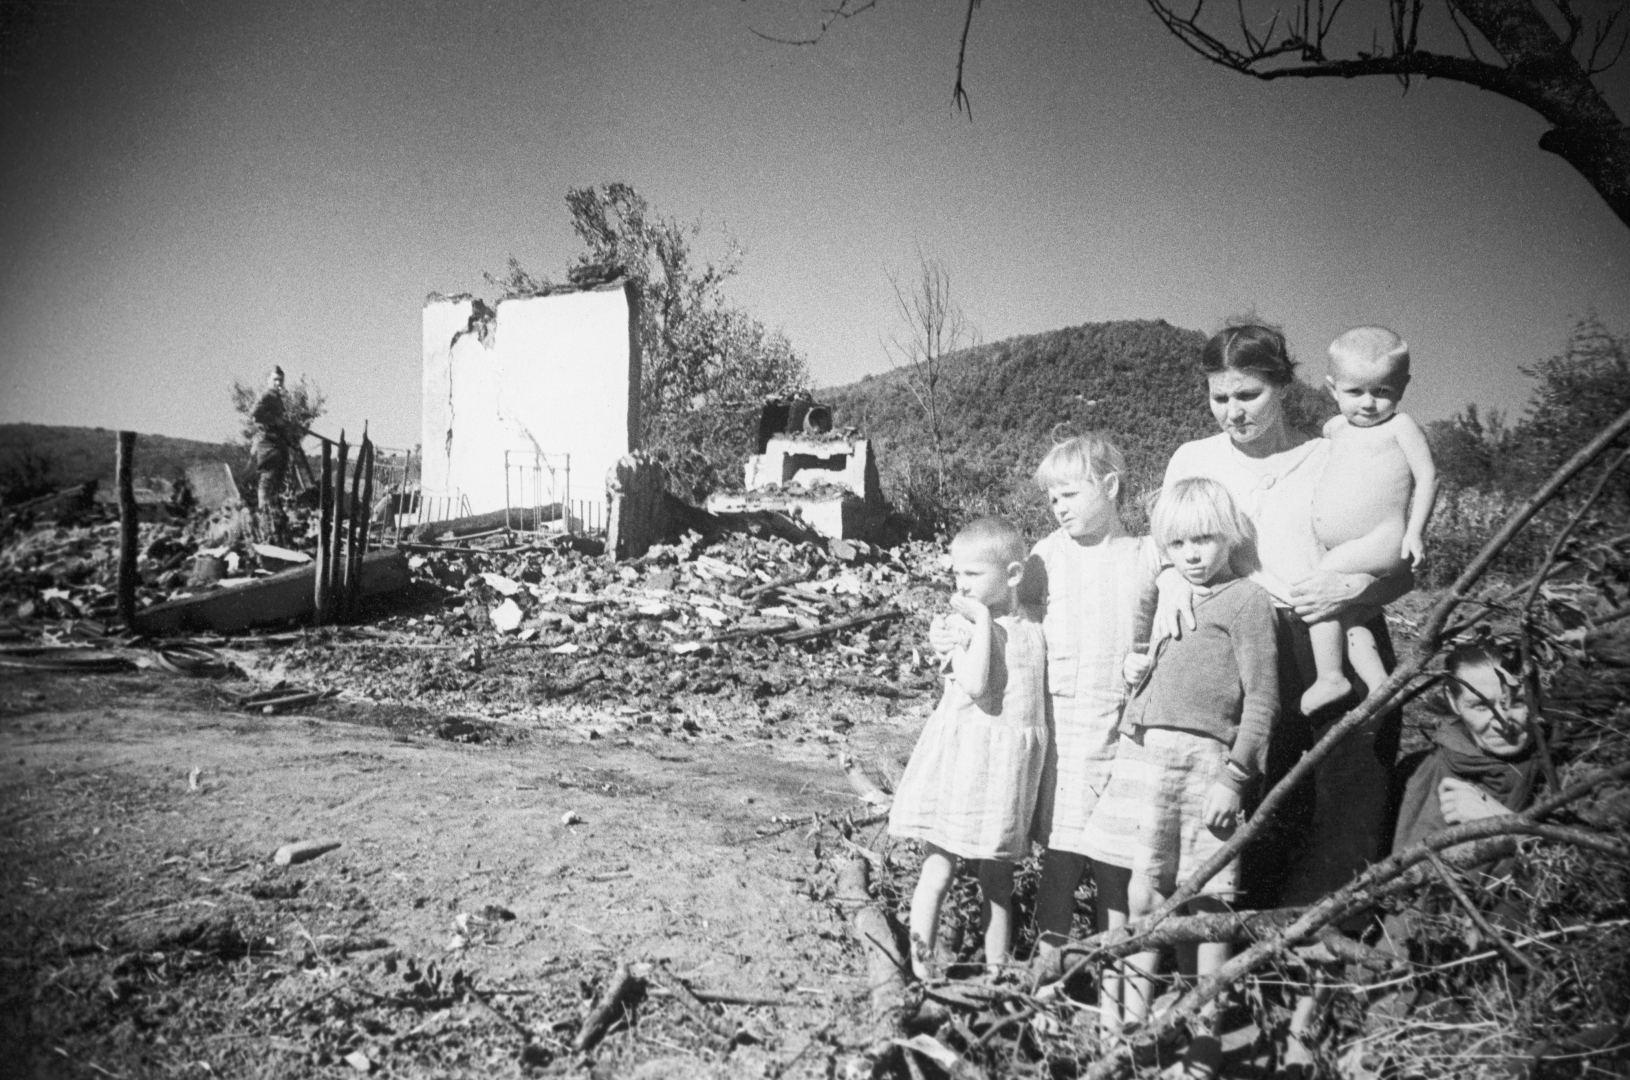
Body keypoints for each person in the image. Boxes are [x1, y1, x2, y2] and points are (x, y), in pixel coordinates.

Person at [1160, 321, 1410, 908]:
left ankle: (1329, 939)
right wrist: (1170, 577)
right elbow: (1167, 546)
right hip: (1243, 639)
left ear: (1284, 387)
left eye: (1249, 395)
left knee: (1348, 785)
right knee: (1257, 790)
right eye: (1220, 397)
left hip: (1332, 632)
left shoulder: (1328, 454)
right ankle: (1242, 940)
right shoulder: (1193, 458)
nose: (1233, 413)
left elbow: (1400, 563)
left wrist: (1349, 592)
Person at [1080, 478, 1279, 1038]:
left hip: (1203, 763)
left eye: (1204, 541)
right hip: (1146, 753)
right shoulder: (1173, 589)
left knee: (1209, 896)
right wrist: (1135, 666)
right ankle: (1133, 1026)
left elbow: (1263, 698)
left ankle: (1206, 1026)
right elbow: (1143, 640)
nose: (1192, 555)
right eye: (1177, 545)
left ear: (1230, 536)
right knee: (1145, 889)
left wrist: (1236, 778)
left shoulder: (1248, 601)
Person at [1018, 435, 1161, 995]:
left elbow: (1176, 617)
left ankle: (1119, 984)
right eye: (1053, 498)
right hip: (1062, 730)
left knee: (1116, 867)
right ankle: (1048, 978)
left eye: (1072, 493)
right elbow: (1015, 618)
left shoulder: (1147, 555)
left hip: (1123, 733)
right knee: (1059, 857)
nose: (1061, 508)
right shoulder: (1046, 555)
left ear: (1110, 486)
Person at [889, 517, 1049, 979]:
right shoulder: (963, 626)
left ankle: (997, 970)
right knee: (938, 867)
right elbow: (978, 684)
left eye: (974, 575)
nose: (962, 585)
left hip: (1005, 768)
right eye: (957, 574)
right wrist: (977, 620)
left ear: (1014, 575)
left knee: (997, 877)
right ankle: (923, 967)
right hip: (963, 763)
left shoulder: (1032, 621)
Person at [1301, 327, 1439, 717]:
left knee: (1322, 582)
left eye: (1382, 392)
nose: (1368, 404)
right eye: (1355, 392)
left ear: (1403, 387)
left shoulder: (1401, 427)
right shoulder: (1334, 429)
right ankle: (1378, 682)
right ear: (1332, 389)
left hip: (1383, 538)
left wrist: (1415, 532)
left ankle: (1330, 677)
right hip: (1352, 546)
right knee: (1348, 615)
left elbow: (1429, 476)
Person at [1391, 643, 1539, 854]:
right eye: (1480, 705)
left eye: (1517, 702)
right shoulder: (1416, 774)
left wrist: (1501, 823)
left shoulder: (1570, 768)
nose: (1502, 721)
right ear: (1453, 701)